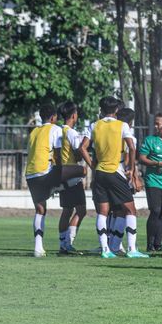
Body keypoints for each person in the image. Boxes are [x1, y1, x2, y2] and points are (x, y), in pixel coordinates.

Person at [90, 97, 147, 258]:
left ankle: (106, 249)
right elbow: (131, 146)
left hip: (100, 172)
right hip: (116, 171)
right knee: (130, 210)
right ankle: (132, 249)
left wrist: (92, 166)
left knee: (103, 212)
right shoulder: (122, 126)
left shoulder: (94, 125)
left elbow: (83, 147)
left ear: (101, 110)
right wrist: (132, 169)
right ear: (116, 111)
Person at [25, 104, 63, 257]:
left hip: (30, 174)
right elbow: (59, 155)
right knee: (80, 173)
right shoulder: (56, 129)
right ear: (54, 117)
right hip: (45, 172)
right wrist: (60, 174)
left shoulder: (34, 131)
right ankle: (57, 188)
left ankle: (38, 247)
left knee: (40, 210)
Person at [57, 102, 93, 254]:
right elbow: (78, 153)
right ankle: (68, 242)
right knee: (81, 210)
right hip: (72, 174)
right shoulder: (71, 133)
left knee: (67, 210)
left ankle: (62, 244)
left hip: (60, 174)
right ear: (73, 115)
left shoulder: (59, 131)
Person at [107, 107, 142, 253]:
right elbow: (128, 159)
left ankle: (114, 245)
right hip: (120, 175)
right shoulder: (127, 135)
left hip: (107, 172)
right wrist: (134, 176)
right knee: (130, 210)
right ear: (131, 122)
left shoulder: (110, 132)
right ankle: (131, 248)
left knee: (118, 211)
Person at [139, 112, 162, 252]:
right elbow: (142, 158)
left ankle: (158, 244)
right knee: (156, 210)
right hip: (153, 180)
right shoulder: (150, 140)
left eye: (158, 123)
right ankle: (150, 244)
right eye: (155, 123)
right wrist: (159, 163)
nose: (155, 126)